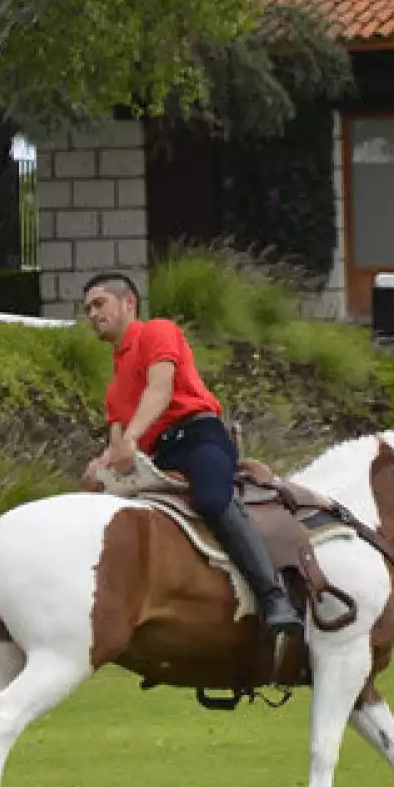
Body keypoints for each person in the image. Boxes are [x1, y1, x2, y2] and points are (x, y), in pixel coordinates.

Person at [80, 273, 303, 660]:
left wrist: (131, 437)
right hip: (156, 457)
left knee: (213, 499)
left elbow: (160, 389)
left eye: (99, 304)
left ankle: (273, 598)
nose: (92, 314)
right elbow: (116, 444)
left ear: (128, 302)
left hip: (197, 436)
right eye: (87, 309)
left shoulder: (157, 332)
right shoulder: (114, 383)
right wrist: (100, 465)